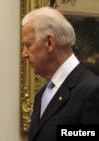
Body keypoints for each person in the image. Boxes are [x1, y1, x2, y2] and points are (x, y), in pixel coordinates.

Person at [21, 7, 99, 141]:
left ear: (49, 43)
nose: (24, 54)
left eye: (28, 45)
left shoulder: (92, 90)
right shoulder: (42, 95)